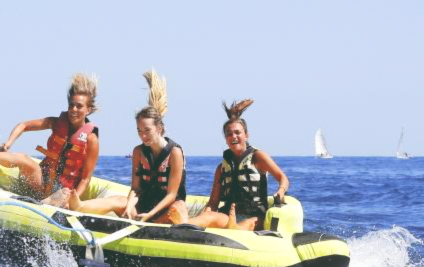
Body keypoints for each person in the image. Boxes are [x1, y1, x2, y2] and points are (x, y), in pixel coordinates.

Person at [77, 69, 189, 224]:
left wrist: (149, 215)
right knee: (118, 200)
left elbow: (171, 195)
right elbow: (136, 188)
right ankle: (78, 207)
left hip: (166, 209)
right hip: (144, 206)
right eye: (139, 130)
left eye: (147, 130)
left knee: (177, 210)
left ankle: (151, 226)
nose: (143, 135)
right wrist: (129, 207)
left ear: (159, 128)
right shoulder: (138, 152)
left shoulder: (175, 152)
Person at [0, 73, 100, 209]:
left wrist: (74, 200)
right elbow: (23, 125)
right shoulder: (55, 123)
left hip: (61, 190)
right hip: (41, 179)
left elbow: (85, 179)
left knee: (65, 193)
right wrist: (8, 143)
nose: (73, 109)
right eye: (71, 105)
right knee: (24, 158)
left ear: (88, 110)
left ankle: (41, 206)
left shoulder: (91, 139)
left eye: (79, 106)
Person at [189, 99, 289, 231]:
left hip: (254, 217)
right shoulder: (222, 168)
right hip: (228, 215)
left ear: (246, 135)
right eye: (229, 134)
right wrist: (206, 215)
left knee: (242, 226)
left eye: (237, 132)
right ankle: (180, 226)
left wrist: (280, 191)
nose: (233, 136)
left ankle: (233, 229)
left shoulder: (258, 157)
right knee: (209, 216)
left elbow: (283, 178)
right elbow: (214, 202)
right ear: (226, 139)